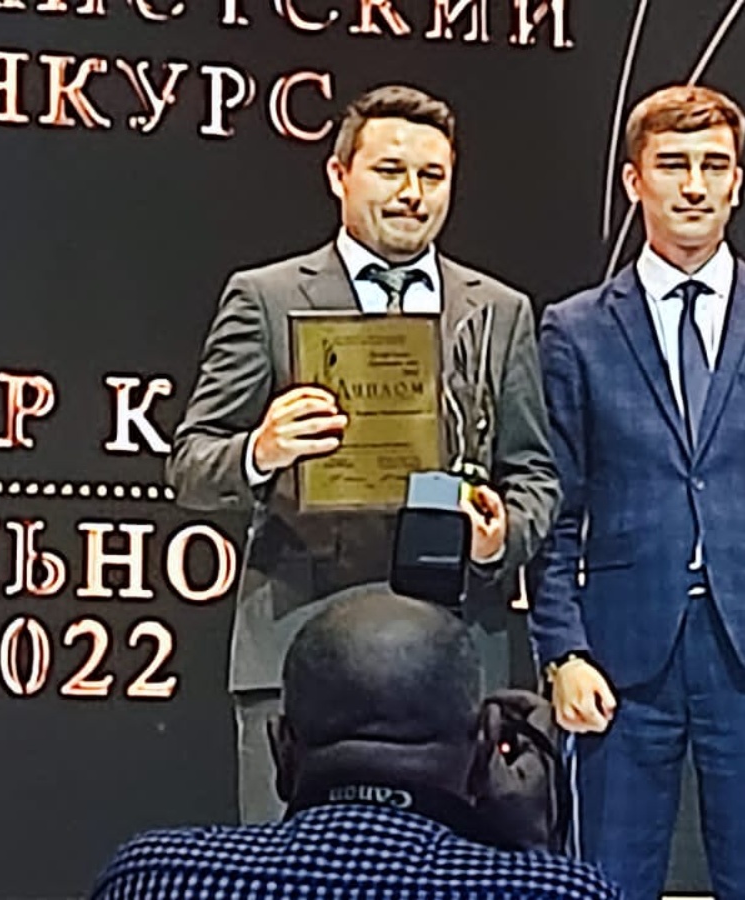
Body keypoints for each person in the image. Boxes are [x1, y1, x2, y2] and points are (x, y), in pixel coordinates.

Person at [166, 84, 558, 824]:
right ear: (339, 174)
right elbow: (191, 465)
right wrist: (260, 450)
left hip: (454, 658)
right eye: (390, 170)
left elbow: (534, 474)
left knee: (453, 874)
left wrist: (502, 533)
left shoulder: (500, 311)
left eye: (432, 175)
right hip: (301, 648)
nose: (412, 193)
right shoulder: (267, 297)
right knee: (289, 873)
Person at [529, 84, 745, 899]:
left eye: (714, 166)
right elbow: (556, 509)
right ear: (634, 180)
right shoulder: (576, 327)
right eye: (673, 165)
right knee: (606, 884)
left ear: (738, 183)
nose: (694, 185)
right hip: (620, 655)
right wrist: (563, 651)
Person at [88, 586, 620, 900]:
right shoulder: (561, 893)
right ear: (485, 753)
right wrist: (529, 855)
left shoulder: (154, 877)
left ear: (281, 750)